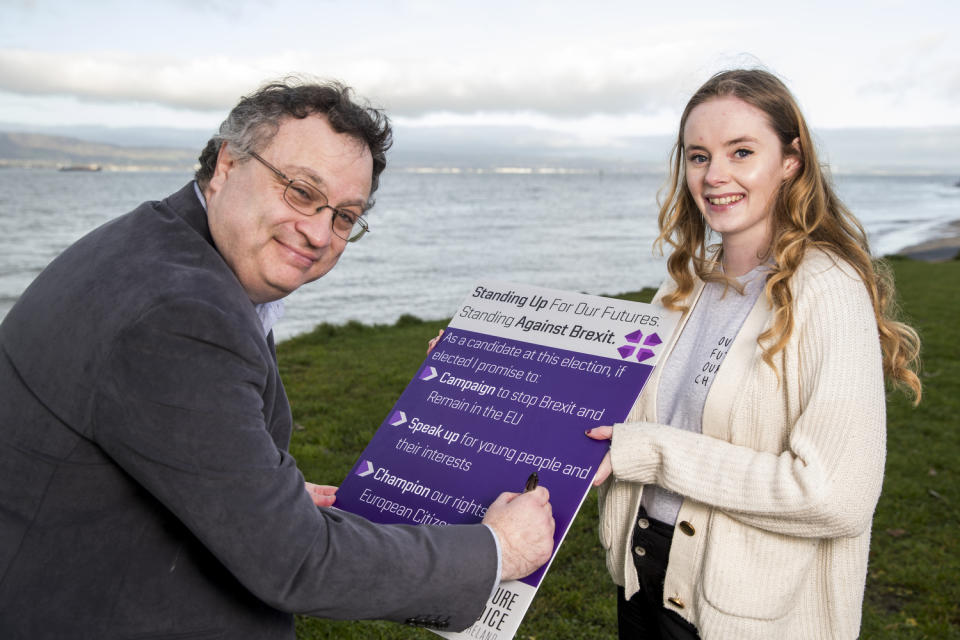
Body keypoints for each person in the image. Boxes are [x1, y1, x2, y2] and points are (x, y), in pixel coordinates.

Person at [0, 79, 554, 639]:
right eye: (300, 190)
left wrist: (250, 483)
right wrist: (496, 551)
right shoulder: (182, 312)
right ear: (226, 166)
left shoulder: (157, 245)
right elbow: (295, 560)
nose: (318, 232)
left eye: (344, 216)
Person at [586, 69, 921, 639]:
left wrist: (649, 453)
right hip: (644, 582)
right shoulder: (683, 287)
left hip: (744, 617)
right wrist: (491, 369)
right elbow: (628, 417)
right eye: (698, 156)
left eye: (741, 152)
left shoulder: (827, 290)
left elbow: (836, 496)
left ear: (791, 160)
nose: (715, 176)